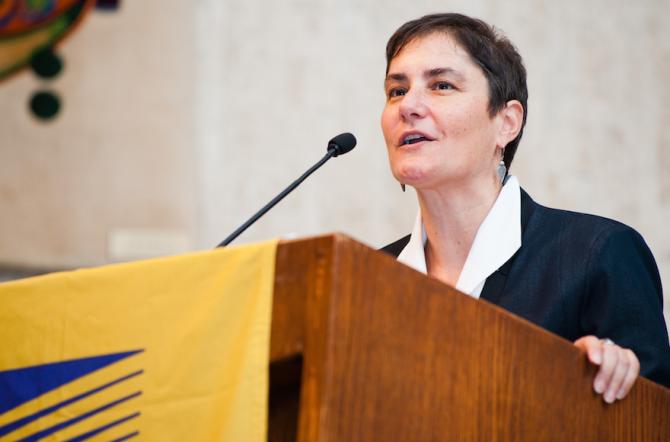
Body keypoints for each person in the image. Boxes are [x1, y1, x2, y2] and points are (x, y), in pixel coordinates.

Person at [380, 13, 670, 400]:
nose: (408, 106)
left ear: (506, 122)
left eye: (441, 85)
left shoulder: (597, 255)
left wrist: (591, 392)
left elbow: (651, 423)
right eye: (396, 91)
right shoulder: (370, 278)